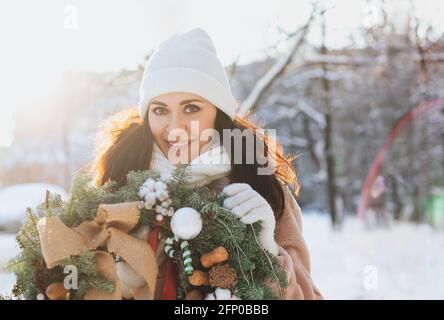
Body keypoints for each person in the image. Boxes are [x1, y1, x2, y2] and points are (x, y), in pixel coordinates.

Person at [88, 28, 322, 300]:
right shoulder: (117, 186)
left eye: (191, 108)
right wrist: (118, 283)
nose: (175, 128)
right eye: (161, 110)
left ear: (217, 114)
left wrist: (268, 253)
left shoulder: (261, 186)